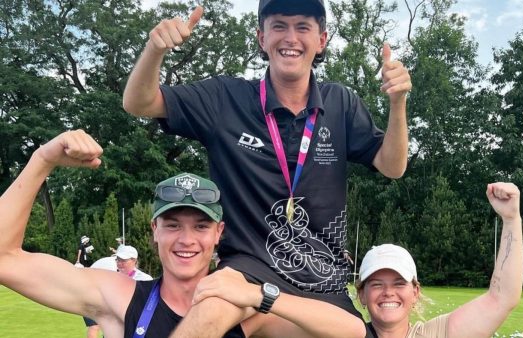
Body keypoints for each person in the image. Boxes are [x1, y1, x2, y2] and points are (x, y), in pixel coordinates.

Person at [123, 0, 410, 334]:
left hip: (322, 279)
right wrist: (155, 50)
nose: (290, 37)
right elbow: (138, 102)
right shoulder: (225, 98)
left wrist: (398, 102)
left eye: (303, 27)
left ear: (322, 40)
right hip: (247, 269)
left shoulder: (340, 103)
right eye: (278, 26)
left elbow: (393, 166)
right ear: (261, 37)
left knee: (355, 333)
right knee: (212, 308)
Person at [0, 130, 364, 338]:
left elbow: (352, 333)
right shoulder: (120, 297)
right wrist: (42, 160)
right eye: (173, 225)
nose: (187, 239)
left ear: (219, 233)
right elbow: (5, 259)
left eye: (201, 226)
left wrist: (260, 296)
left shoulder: (245, 312)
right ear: (154, 230)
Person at [356, 182, 523, 338]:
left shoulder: (436, 334)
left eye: (399, 283)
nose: (388, 292)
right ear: (362, 294)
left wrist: (511, 220)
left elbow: (501, 298)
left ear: (415, 293)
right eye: (377, 284)